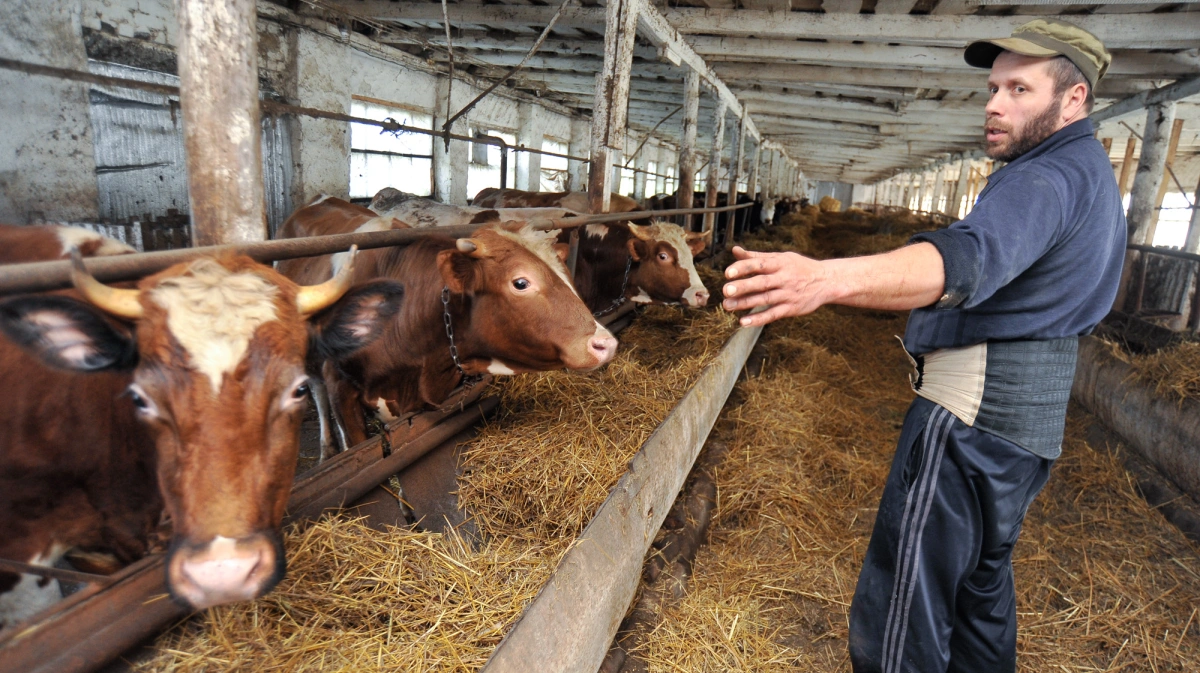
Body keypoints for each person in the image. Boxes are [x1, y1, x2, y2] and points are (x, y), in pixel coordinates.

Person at [721, 19, 1126, 673]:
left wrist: (824, 278)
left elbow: (964, 260)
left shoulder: (1043, 180)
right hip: (1022, 433)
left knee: (903, 609)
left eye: (1019, 89)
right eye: (993, 88)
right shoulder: (1090, 178)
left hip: (967, 425)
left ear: (1073, 98)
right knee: (977, 598)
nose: (995, 104)